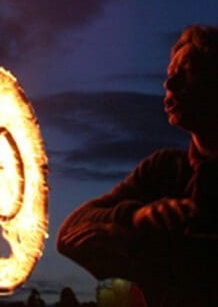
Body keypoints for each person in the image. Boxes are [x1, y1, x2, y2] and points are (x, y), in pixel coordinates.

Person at [57, 25, 218, 306]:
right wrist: (136, 218)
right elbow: (71, 232)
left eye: (186, 73)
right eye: (169, 76)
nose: (169, 86)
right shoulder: (163, 170)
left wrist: (141, 244)